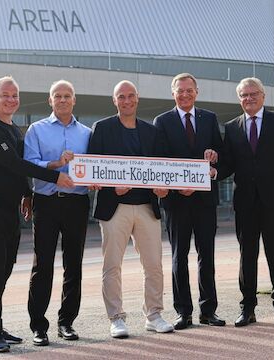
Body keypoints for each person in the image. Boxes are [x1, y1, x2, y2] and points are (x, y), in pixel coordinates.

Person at [0, 76, 74, 353]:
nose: (11, 100)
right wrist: (55, 177)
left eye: (15, 95)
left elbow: (16, 169)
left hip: (7, 208)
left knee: (5, 267)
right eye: (5, 95)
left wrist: (26, 193)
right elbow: (14, 163)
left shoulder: (13, 129)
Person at [87, 80, 174, 338]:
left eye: (131, 96)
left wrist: (162, 188)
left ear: (137, 99)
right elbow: (94, 170)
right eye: (121, 97)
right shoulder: (101, 129)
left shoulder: (151, 131)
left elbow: (161, 167)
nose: (126, 101)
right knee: (112, 265)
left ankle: (154, 314)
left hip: (147, 206)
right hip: (116, 208)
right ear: (115, 100)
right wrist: (113, 188)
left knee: (154, 265)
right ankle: (116, 318)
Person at [220, 77, 274, 327]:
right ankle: (248, 308)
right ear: (239, 99)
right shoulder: (232, 127)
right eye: (244, 95)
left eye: (253, 93)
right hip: (245, 203)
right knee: (247, 256)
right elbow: (227, 166)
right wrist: (210, 168)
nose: (249, 98)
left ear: (264, 96)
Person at [153, 73, 226, 330]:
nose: (184, 94)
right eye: (179, 90)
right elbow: (159, 161)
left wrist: (215, 156)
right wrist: (175, 188)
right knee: (178, 257)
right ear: (173, 93)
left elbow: (222, 155)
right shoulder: (161, 122)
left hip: (205, 201)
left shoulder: (209, 118)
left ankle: (209, 310)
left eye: (189, 90)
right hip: (176, 202)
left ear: (197, 91)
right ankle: (183, 312)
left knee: (207, 256)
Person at [23, 80, 91, 346]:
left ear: (74, 100)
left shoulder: (87, 133)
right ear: (49, 101)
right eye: (57, 96)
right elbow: (29, 164)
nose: (63, 100)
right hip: (47, 202)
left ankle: (67, 322)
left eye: (67, 96)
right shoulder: (36, 130)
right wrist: (56, 168)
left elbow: (93, 167)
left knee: (74, 264)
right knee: (43, 265)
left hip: (77, 204)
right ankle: (39, 326)